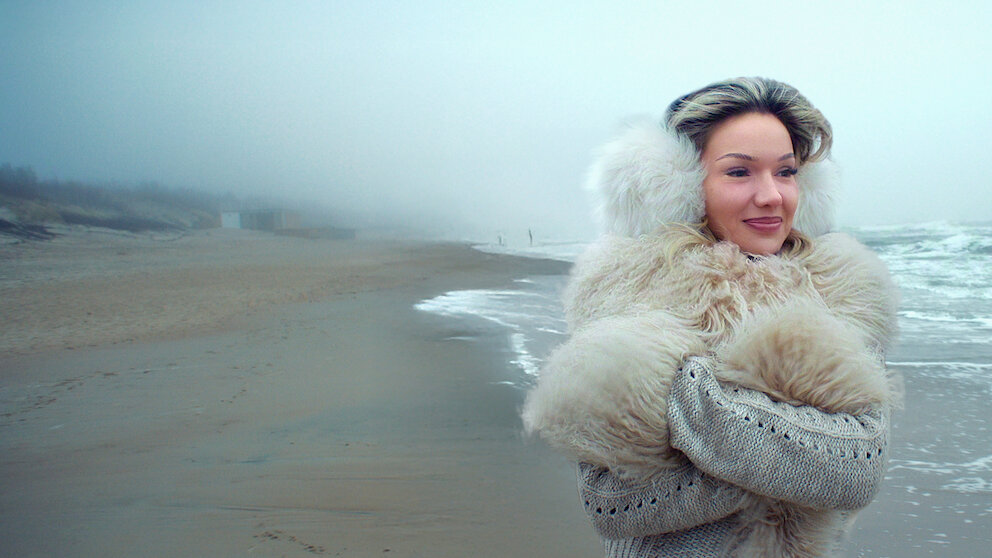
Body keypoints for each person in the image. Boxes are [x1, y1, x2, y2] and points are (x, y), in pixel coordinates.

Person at [521, 77, 900, 557]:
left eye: (786, 172)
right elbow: (614, 504)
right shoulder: (628, 291)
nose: (771, 195)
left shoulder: (842, 294)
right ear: (681, 186)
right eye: (739, 172)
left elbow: (858, 470)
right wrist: (798, 458)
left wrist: (682, 396)